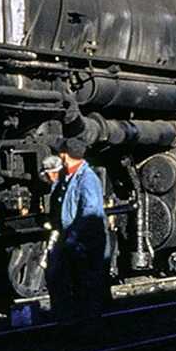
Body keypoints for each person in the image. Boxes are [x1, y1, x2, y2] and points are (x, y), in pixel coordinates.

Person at [45, 138, 108, 327]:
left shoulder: (87, 179)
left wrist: (74, 237)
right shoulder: (68, 177)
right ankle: (68, 322)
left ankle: (87, 327)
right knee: (59, 277)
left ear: (64, 155)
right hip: (69, 237)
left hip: (84, 241)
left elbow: (91, 211)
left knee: (85, 284)